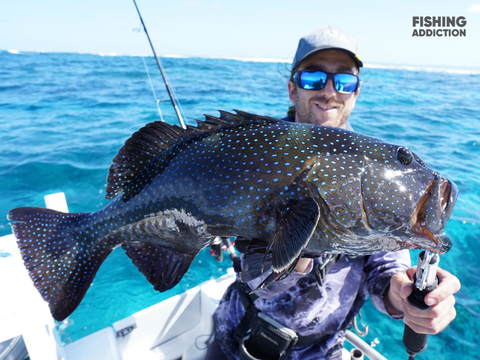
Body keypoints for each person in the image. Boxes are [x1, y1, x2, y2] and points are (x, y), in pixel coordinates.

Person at [205, 25, 461, 360]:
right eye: (313, 78)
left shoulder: (372, 169)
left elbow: (387, 271)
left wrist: (406, 296)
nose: (329, 92)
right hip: (235, 335)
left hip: (320, 352)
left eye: (343, 81)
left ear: (355, 92)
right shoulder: (254, 151)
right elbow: (255, 276)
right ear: (292, 89)